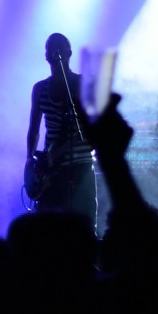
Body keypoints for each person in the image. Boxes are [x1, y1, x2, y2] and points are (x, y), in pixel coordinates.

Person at [26, 33, 97, 232]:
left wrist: (63, 149)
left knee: (83, 227)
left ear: (69, 53)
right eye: (50, 48)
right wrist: (29, 160)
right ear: (46, 55)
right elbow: (34, 129)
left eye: (60, 49)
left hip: (80, 166)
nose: (55, 53)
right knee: (48, 228)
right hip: (51, 170)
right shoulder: (40, 89)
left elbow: (92, 130)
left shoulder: (83, 85)